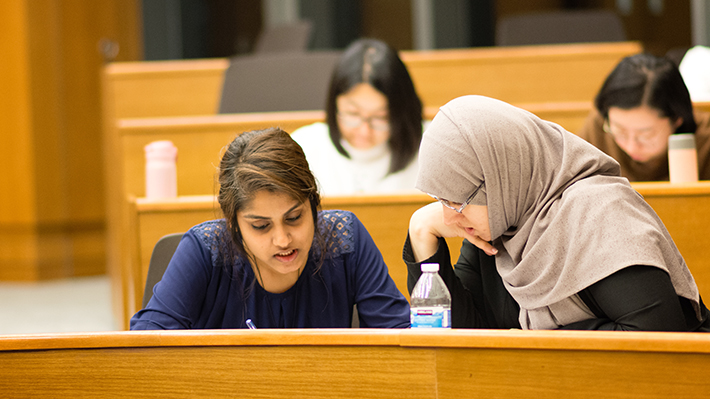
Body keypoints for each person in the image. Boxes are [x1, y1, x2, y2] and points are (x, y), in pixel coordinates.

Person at [405, 95, 710, 331]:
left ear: (502, 178)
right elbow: (464, 338)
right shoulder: (502, 224)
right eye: (441, 200)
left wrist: (530, 342)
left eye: (457, 202)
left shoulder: (600, 213)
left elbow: (653, 338)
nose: (449, 219)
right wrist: (421, 232)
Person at [131, 127, 410, 329]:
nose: (282, 239)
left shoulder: (345, 240)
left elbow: (401, 338)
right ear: (235, 226)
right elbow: (148, 344)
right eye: (261, 226)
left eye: (294, 218)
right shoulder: (205, 250)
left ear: (314, 206)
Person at [291, 38, 423, 196]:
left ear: (402, 111)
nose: (364, 131)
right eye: (353, 114)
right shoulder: (305, 147)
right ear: (334, 106)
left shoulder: (430, 148)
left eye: (381, 118)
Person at [577, 53, 710, 182]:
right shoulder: (597, 128)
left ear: (677, 119)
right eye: (619, 132)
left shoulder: (706, 142)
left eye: (646, 136)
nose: (631, 147)